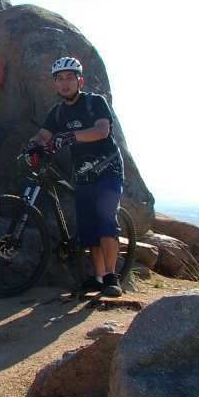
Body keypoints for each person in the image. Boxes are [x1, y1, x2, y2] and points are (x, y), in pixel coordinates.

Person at [27, 56, 125, 297]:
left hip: (108, 169)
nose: (65, 83)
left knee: (105, 219)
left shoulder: (95, 102)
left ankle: (112, 277)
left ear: (79, 80)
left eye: (70, 77)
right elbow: (43, 135)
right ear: (55, 84)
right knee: (88, 226)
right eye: (60, 79)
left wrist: (70, 136)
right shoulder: (57, 112)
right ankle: (98, 277)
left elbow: (102, 131)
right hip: (82, 173)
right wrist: (33, 145)